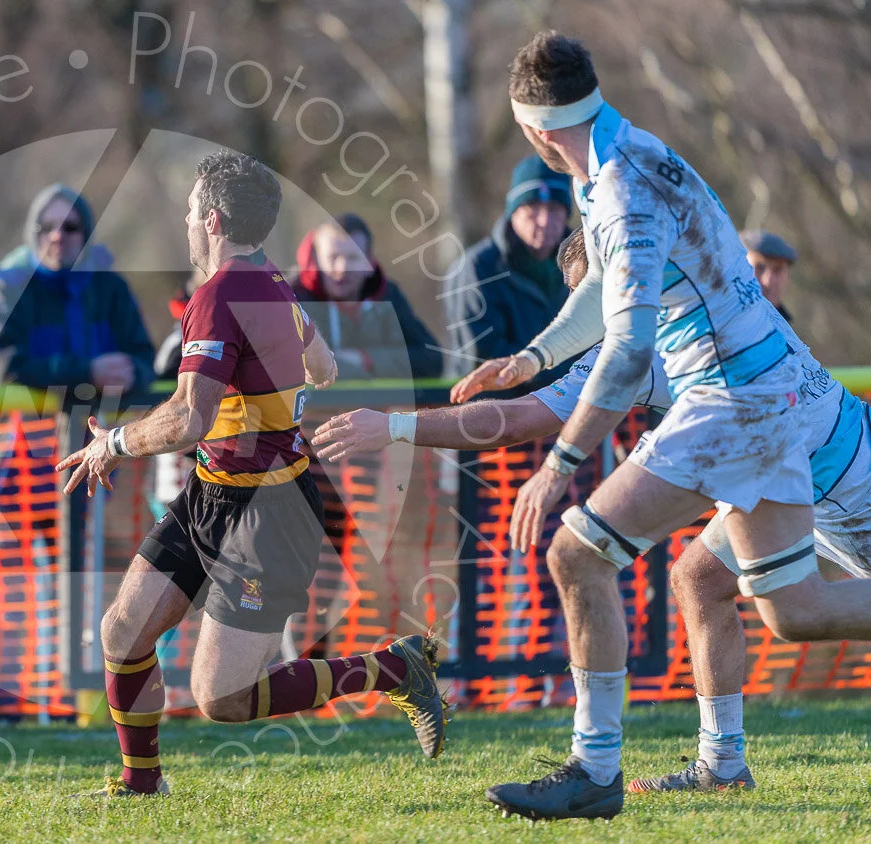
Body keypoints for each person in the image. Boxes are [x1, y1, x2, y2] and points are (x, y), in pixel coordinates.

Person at [318, 229, 871, 796]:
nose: (592, 320)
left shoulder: (649, 340)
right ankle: (722, 766)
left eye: (593, 298)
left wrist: (394, 426)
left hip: (844, 484)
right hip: (799, 473)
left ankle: (599, 769)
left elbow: (513, 422)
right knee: (699, 579)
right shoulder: (696, 293)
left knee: (791, 614)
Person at [463, 33, 824, 821]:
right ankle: (723, 767)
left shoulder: (618, 184)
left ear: (533, 130)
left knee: (575, 550)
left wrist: (559, 464)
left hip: (731, 399)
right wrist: (531, 358)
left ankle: (594, 772)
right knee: (777, 605)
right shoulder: (624, 152)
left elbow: (627, 351)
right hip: (758, 389)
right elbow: (606, 296)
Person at [56, 151, 446, 798]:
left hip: (270, 514)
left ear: (211, 220)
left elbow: (188, 419)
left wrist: (113, 445)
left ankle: (394, 667)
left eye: (188, 212)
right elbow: (325, 368)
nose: (184, 221)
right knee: (122, 631)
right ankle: (140, 784)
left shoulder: (219, 296)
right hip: (215, 491)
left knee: (223, 698)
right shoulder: (275, 285)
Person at [0, 184, 155, 403]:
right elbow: (5, 369)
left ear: (86, 234)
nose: (57, 235)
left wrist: (133, 374)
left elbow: (145, 360)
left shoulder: (112, 288)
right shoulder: (8, 290)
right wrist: (87, 374)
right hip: (25, 434)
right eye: (45, 227)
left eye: (70, 227)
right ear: (33, 235)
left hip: (102, 432)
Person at [446, 155, 574, 386]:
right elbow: (481, 357)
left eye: (554, 208)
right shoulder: (477, 269)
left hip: (564, 402)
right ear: (512, 212)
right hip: (491, 411)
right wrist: (562, 375)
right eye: (532, 207)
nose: (544, 220)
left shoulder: (585, 268)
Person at [292, 213, 442, 379]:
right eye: (333, 257)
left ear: (370, 262)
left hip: (381, 404)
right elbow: (284, 363)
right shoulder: (292, 298)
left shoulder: (388, 294)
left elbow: (432, 360)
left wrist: (366, 359)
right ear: (316, 260)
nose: (342, 268)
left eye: (353, 257)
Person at [740, 229, 798, 323]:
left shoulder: (787, 333)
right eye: (759, 268)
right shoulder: (716, 324)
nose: (768, 281)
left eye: (777, 270)